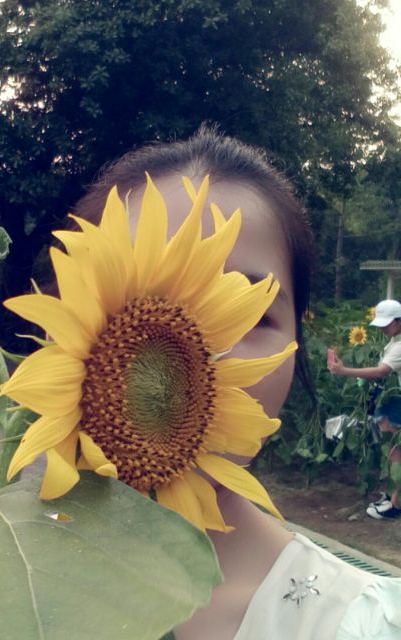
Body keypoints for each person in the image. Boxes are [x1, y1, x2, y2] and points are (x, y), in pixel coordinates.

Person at [71, 127, 401, 640]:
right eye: (139, 300)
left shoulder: (360, 625)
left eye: (245, 314)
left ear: (297, 345)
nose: (196, 357)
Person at [329, 298, 401, 521]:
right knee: (392, 451)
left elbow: (381, 371)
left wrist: (344, 371)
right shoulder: (394, 341)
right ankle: (392, 496)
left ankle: (395, 505)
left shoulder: (399, 346)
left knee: (396, 452)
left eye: (387, 324)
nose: (382, 328)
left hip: (397, 401)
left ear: (399, 321)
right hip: (394, 398)